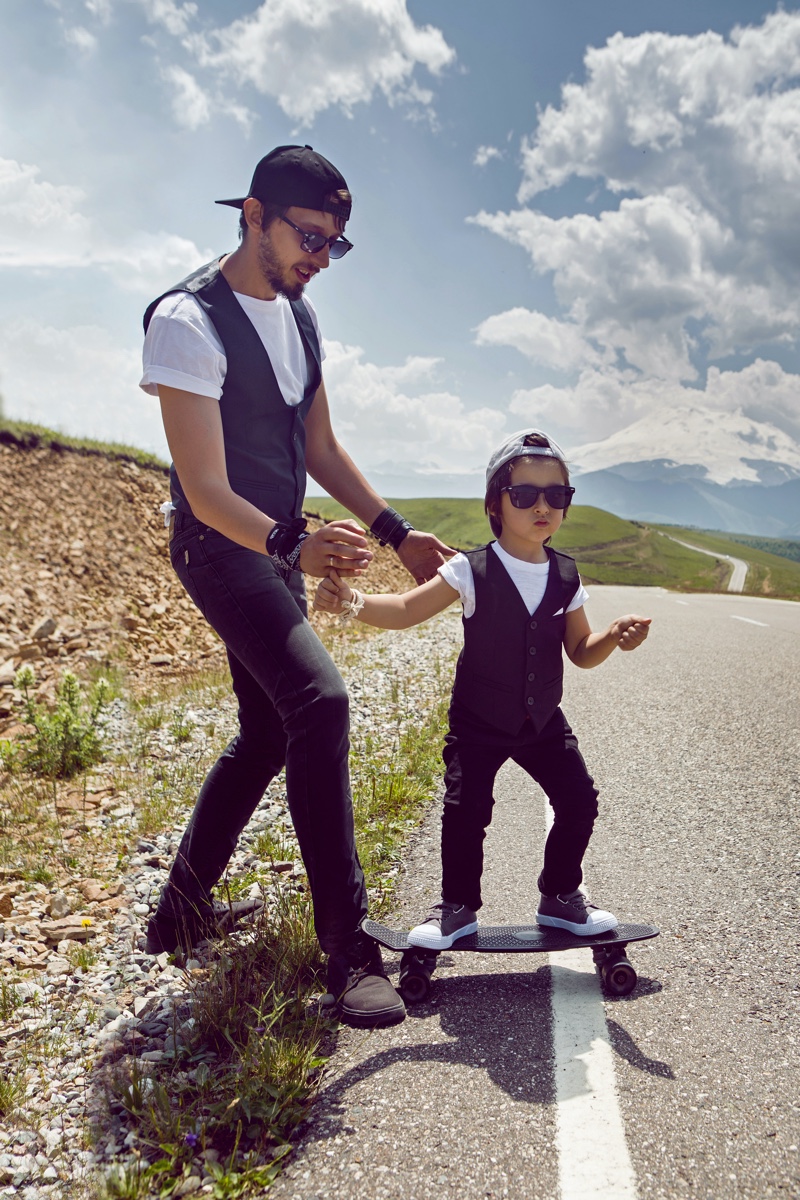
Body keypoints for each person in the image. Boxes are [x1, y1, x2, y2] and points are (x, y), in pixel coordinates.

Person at [139, 144, 452, 1028]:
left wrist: (396, 532)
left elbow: (318, 449)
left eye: (335, 245)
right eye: (309, 236)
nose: (320, 257)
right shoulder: (186, 321)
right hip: (219, 550)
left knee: (267, 732)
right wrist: (295, 542)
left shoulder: (301, 318)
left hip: (274, 550)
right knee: (320, 702)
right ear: (252, 214)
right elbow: (204, 489)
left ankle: (179, 915)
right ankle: (347, 950)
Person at [314, 429, 651, 951]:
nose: (542, 505)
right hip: (479, 721)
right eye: (525, 495)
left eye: (556, 495)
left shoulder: (565, 574)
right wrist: (353, 601)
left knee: (579, 800)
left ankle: (560, 898)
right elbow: (406, 610)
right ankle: (457, 910)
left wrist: (612, 637)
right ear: (496, 503)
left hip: (542, 723)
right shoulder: (469, 569)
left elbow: (581, 650)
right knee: (466, 811)